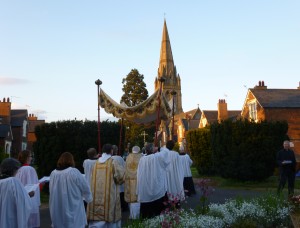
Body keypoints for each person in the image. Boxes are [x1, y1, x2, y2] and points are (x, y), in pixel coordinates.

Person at [49, 152, 92, 228]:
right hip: (73, 204)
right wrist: (88, 198)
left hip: (58, 205)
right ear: (71, 160)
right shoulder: (73, 172)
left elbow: (51, 190)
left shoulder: (53, 173)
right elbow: (85, 187)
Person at [87, 143, 125, 227]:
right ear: (111, 151)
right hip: (109, 196)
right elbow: (121, 178)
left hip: (96, 195)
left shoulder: (96, 163)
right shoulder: (113, 162)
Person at [136, 143, 170, 218]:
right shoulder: (157, 157)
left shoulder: (142, 159)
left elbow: (139, 173)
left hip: (146, 189)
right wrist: (159, 148)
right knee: (158, 213)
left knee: (147, 216)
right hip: (156, 187)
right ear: (152, 149)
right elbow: (166, 152)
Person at [0, 158, 32, 228]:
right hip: (10, 219)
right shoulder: (13, 182)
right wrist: (28, 196)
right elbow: (23, 203)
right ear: (14, 169)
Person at [15, 150, 41, 228]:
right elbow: (33, 185)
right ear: (26, 158)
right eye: (30, 156)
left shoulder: (17, 169)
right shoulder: (30, 169)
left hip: (20, 200)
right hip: (30, 200)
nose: (31, 158)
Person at [124, 145, 143, 219]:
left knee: (131, 199)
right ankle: (137, 216)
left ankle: (132, 215)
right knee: (137, 199)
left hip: (129, 180)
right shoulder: (141, 157)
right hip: (138, 180)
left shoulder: (128, 157)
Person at [112, 144, 128, 212]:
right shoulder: (120, 158)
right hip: (120, 178)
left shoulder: (109, 159)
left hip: (113, 179)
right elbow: (124, 167)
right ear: (116, 150)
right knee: (121, 193)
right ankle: (124, 207)